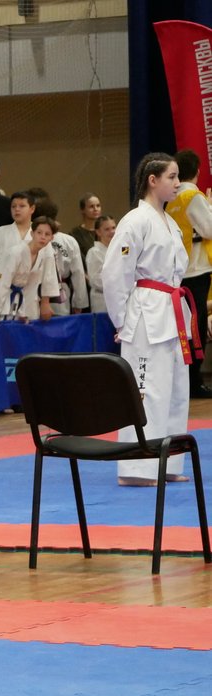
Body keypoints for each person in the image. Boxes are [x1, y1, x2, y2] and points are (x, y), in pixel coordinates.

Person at [103, 153, 198, 487]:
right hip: (145, 314)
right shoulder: (135, 220)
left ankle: (168, 461)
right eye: (172, 177)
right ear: (152, 180)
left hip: (173, 312)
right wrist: (121, 321)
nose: (177, 183)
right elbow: (114, 273)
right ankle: (136, 468)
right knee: (145, 392)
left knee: (175, 391)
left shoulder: (169, 222)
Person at [165, 149, 212, 398]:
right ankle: (194, 382)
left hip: (178, 270)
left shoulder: (170, 197)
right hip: (196, 269)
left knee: (183, 326)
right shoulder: (192, 195)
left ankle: (186, 381)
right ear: (197, 171)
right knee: (196, 326)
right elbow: (209, 229)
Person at [0, 216, 60, 322]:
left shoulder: (44, 254)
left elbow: (44, 279)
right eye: (39, 233)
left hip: (25, 302)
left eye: (47, 234)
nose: (43, 237)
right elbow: (0, 279)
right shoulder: (15, 253)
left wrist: (27, 310)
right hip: (5, 302)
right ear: (32, 234)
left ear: (51, 238)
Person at [85, 214, 115, 314]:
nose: (112, 232)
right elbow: (95, 280)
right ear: (98, 232)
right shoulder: (94, 252)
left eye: (113, 228)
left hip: (122, 299)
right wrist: (118, 284)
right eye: (107, 229)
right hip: (102, 301)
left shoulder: (123, 249)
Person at [70, 192, 102, 264]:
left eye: (98, 206)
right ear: (83, 210)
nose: (95, 209)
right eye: (91, 206)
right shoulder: (75, 234)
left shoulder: (107, 231)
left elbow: (122, 248)